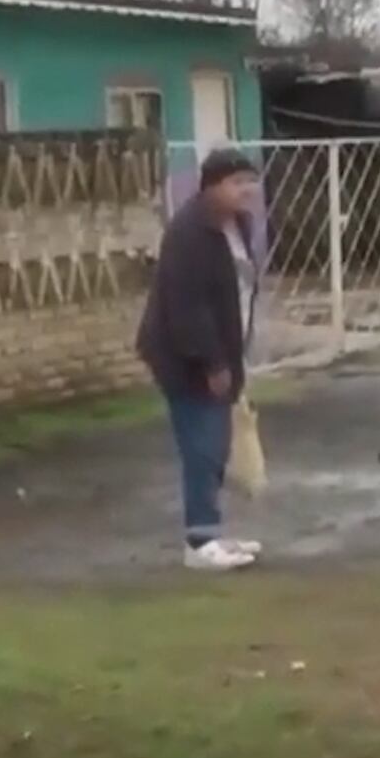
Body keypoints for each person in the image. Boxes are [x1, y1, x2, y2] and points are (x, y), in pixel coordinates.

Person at [137, 148, 263, 571]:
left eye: (250, 181)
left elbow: (237, 290)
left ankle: (213, 532)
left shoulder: (238, 225)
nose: (246, 190)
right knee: (202, 446)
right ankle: (200, 540)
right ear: (211, 186)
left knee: (217, 445)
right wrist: (213, 363)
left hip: (223, 351)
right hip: (187, 358)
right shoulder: (189, 232)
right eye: (236, 182)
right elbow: (187, 306)